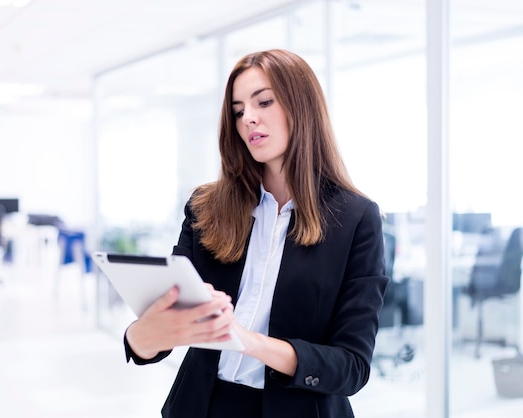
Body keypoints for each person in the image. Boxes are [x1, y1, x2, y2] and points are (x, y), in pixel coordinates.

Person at [124, 49, 389, 418]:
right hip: (202, 405)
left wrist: (246, 341)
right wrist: (142, 334)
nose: (248, 117)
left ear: (302, 107)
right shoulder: (206, 207)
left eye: (263, 101)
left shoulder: (356, 218)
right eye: (238, 110)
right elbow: (158, 334)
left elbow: (351, 366)